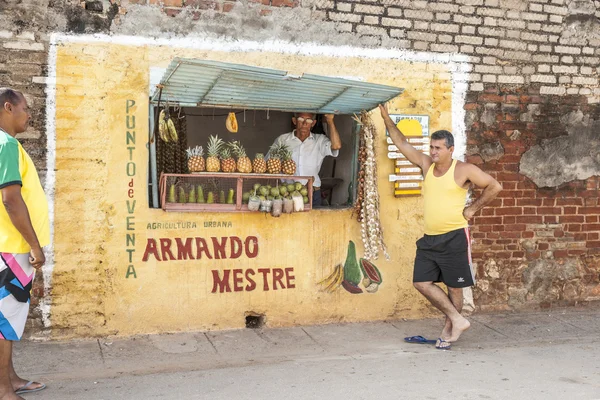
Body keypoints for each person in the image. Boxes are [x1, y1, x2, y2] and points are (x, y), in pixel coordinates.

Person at [379, 104, 501, 350]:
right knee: (421, 283)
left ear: (450, 149)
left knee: (454, 287)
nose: (433, 152)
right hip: (430, 239)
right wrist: (386, 118)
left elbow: (494, 186)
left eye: (438, 148)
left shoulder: (464, 169)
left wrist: (473, 209)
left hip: (454, 236)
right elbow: (402, 143)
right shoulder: (426, 165)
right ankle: (457, 319)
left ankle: (449, 330)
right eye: (431, 147)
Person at [0, 88, 49, 398]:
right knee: (4, 321)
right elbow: (11, 198)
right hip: (11, 249)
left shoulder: (7, 144)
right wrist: (34, 244)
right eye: (25, 108)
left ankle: (11, 378)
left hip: (10, 248)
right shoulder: (5, 145)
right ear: (8, 107)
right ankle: (4, 389)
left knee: (10, 317)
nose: (30, 114)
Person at [270, 112, 341, 206]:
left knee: (313, 220)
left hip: (312, 192)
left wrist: (330, 121)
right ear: (294, 121)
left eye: (308, 120)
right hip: (287, 192)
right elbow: (270, 164)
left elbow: (336, 146)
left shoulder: (319, 140)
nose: (304, 123)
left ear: (313, 123)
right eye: (301, 119)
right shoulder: (282, 140)